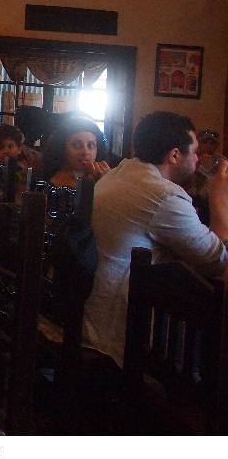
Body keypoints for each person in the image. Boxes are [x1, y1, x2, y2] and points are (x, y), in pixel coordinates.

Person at [82, 111, 228, 368]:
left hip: (95, 313)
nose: (199, 158)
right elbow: (218, 263)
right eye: (194, 152)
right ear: (174, 155)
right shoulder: (164, 196)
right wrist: (219, 200)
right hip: (128, 332)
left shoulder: (120, 173)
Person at [41, 116, 111, 189]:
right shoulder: (54, 182)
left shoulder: (106, 174)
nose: (85, 152)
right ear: (62, 147)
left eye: (90, 145)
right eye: (77, 145)